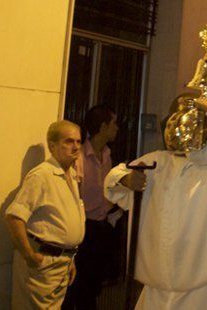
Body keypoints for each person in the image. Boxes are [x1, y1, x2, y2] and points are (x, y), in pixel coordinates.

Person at [104, 98, 207, 309]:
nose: (179, 129)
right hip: (156, 289)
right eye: (173, 123)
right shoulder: (157, 162)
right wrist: (126, 179)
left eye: (189, 123)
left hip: (204, 291)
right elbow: (113, 178)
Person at [6, 121, 85, 309]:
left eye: (78, 141)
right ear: (52, 145)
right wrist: (29, 255)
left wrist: (69, 258)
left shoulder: (71, 175)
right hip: (42, 264)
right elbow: (13, 217)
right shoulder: (42, 175)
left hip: (61, 264)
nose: (75, 147)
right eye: (68, 141)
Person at [63, 105, 120, 309]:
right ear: (103, 126)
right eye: (113, 123)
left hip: (102, 227)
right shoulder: (79, 158)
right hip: (85, 228)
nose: (117, 128)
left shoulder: (106, 154)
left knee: (95, 284)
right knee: (79, 286)